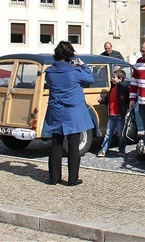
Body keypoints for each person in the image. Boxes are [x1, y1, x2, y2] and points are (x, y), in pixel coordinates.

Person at [43, 41, 93, 186]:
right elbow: (90, 79)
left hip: (56, 110)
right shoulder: (74, 72)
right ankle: (72, 179)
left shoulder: (49, 72)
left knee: (56, 144)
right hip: (72, 111)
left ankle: (54, 178)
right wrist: (82, 65)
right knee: (73, 145)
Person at [97, 69, 129, 157]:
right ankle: (103, 150)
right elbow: (109, 99)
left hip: (119, 115)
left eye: (114, 77)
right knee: (108, 133)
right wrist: (102, 100)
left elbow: (129, 99)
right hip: (111, 114)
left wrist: (126, 109)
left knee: (120, 134)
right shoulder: (112, 88)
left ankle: (121, 149)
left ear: (120, 79)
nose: (112, 79)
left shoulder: (124, 89)